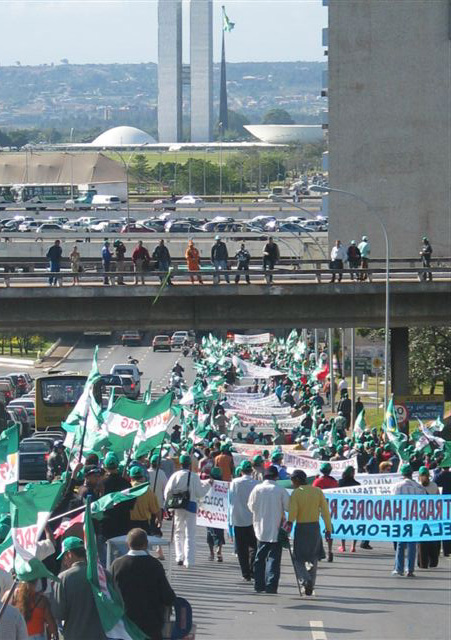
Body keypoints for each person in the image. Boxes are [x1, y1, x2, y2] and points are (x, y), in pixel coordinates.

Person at [111, 528, 176, 640]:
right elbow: (167, 596)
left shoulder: (117, 565)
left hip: (125, 625)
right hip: (151, 625)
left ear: (128, 544)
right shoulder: (155, 565)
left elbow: (111, 593)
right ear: (146, 544)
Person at [286, 469, 332, 596]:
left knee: (298, 558)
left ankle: (305, 579)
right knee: (313, 557)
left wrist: (289, 524)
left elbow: (293, 513)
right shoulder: (317, 491)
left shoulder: (296, 493)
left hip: (301, 528)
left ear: (297, 480)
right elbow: (325, 512)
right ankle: (311, 583)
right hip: (314, 528)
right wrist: (328, 529)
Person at [52, 536, 107, 640]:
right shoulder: (103, 574)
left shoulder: (63, 578)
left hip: (74, 635)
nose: (64, 562)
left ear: (69, 554)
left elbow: (58, 613)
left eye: (64, 557)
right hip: (101, 635)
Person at [247, 465, 290, 593]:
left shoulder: (257, 489)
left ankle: (259, 585)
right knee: (274, 559)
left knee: (259, 558)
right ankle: (271, 586)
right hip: (276, 528)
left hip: (260, 528)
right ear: (276, 477)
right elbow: (288, 506)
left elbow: (251, 506)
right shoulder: (280, 490)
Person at [164, 454, 211, 568]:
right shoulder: (194, 476)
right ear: (189, 464)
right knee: (190, 534)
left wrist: (169, 506)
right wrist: (208, 485)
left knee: (178, 532)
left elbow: (167, 492)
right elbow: (200, 493)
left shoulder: (175, 475)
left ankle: (179, 557)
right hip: (190, 506)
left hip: (178, 506)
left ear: (180, 464)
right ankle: (189, 560)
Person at [391, 463, 426, 577]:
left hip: (401, 518)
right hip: (415, 518)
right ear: (412, 474)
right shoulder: (419, 487)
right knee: (412, 544)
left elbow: (392, 502)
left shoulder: (396, 486)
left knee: (401, 543)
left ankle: (399, 568)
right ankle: (410, 569)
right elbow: (424, 503)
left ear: (402, 474)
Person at [229, 459, 258, 581]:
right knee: (253, 546)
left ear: (241, 471)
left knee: (241, 548)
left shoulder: (235, 482)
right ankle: (252, 568)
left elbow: (230, 500)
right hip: (252, 519)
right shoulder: (256, 483)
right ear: (251, 471)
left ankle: (245, 572)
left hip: (238, 518)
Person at [101, 452, 132, 539]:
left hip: (107, 522)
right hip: (123, 521)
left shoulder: (102, 484)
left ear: (105, 467)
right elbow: (131, 502)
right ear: (117, 465)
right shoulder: (126, 483)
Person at [312, 462, 338, 561]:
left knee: (317, 528)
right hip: (330, 507)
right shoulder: (333, 482)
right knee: (329, 528)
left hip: (318, 507)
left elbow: (313, 492)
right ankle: (330, 551)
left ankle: (319, 551)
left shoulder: (317, 481)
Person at [417, 466, 440, 569]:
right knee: (429, 540)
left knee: (425, 540)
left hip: (427, 516)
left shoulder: (418, 487)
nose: (424, 478)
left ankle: (424, 562)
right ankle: (429, 562)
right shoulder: (433, 486)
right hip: (428, 516)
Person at [148, 453, 168, 560]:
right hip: (158, 505)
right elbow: (166, 489)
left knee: (148, 528)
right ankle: (159, 550)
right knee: (157, 528)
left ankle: (151, 550)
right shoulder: (162, 474)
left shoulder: (146, 473)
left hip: (147, 505)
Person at [128, 465, 160, 532]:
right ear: (143, 477)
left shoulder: (127, 490)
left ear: (131, 478)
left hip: (129, 524)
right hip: (144, 525)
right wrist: (159, 519)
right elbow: (155, 510)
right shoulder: (148, 491)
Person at [337, 466, 360, 553]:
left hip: (342, 508)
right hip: (354, 508)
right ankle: (353, 546)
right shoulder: (357, 485)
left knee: (342, 526)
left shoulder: (340, 482)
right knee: (354, 526)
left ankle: (343, 546)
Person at [206, 467, 226, 561]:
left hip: (209, 513)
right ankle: (219, 551)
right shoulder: (224, 486)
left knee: (210, 532)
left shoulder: (208, 484)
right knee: (219, 532)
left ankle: (211, 553)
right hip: (220, 513)